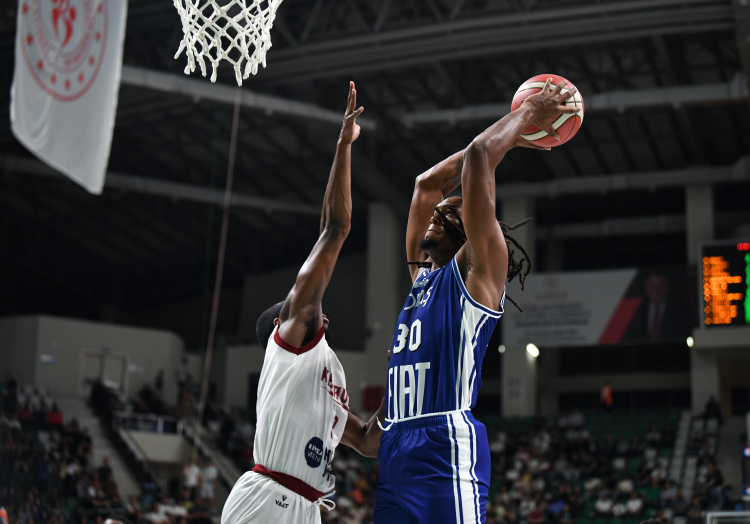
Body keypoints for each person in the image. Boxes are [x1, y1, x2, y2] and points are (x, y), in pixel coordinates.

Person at [374, 79, 580, 523]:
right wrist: (520, 133)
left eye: (448, 213)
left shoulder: (478, 278)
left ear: (469, 233)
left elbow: (480, 158)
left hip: (443, 443)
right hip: (395, 447)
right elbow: (426, 183)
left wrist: (526, 118)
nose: (434, 214)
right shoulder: (420, 279)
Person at [221, 82, 385, 524]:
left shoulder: (323, 373)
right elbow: (334, 228)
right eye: (298, 305)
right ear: (284, 323)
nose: (310, 306)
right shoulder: (292, 342)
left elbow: (369, 443)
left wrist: (404, 390)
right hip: (266, 496)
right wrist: (343, 147)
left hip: (306, 507)